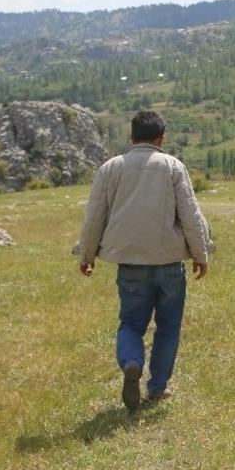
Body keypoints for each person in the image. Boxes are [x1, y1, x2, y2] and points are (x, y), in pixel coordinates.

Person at [77, 110, 214, 410]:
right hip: (169, 265)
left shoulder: (110, 168)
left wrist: (87, 255)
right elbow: (190, 216)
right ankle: (157, 387)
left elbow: (94, 217)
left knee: (130, 324)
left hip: (130, 266)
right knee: (168, 326)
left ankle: (131, 362)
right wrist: (201, 254)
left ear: (131, 137)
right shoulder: (173, 166)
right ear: (161, 139)